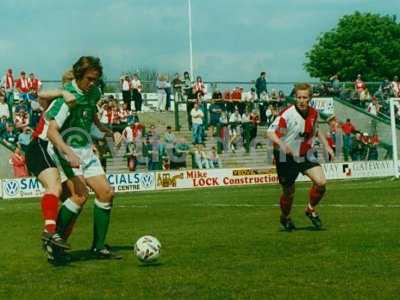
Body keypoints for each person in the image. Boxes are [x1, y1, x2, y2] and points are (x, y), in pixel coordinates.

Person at [46, 56, 120, 259]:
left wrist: (108, 131)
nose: (93, 83)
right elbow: (52, 131)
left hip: (85, 148)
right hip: (64, 148)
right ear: (79, 76)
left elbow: (91, 115)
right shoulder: (67, 97)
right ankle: (53, 242)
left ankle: (98, 247)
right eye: (89, 79)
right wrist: (68, 152)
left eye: (96, 79)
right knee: (79, 195)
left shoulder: (94, 92)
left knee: (106, 193)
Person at [267, 83, 334, 231]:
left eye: (305, 97)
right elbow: (270, 132)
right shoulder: (287, 115)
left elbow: (316, 130)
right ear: (295, 98)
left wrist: (327, 146)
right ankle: (285, 217)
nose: (302, 100)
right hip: (286, 157)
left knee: (321, 182)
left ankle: (310, 209)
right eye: (299, 97)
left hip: (305, 154)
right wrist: (281, 143)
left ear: (310, 98)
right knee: (289, 193)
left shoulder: (313, 113)